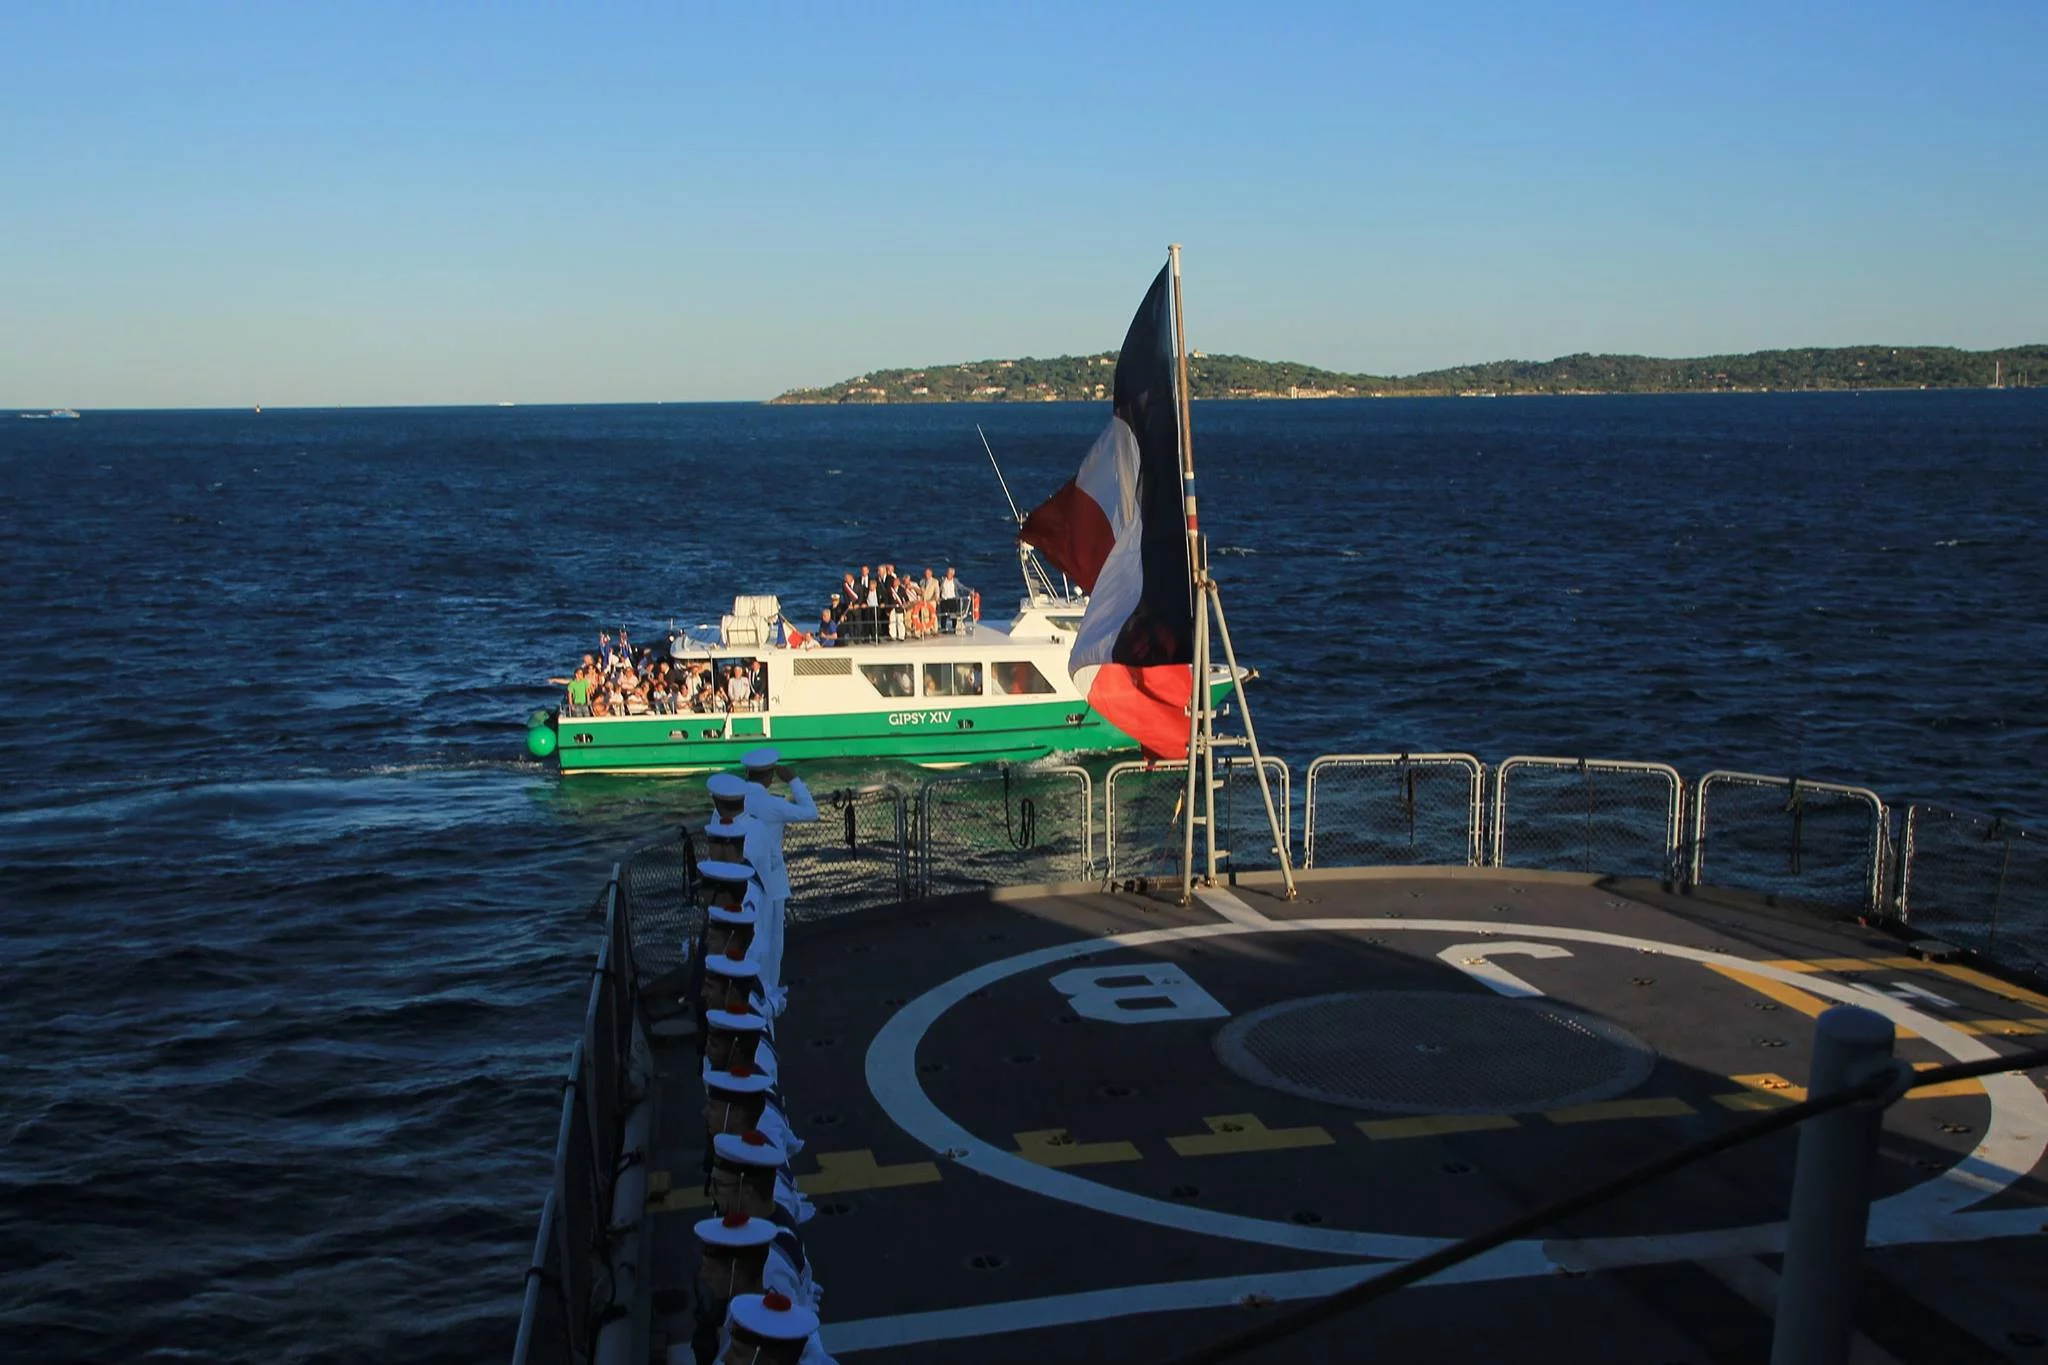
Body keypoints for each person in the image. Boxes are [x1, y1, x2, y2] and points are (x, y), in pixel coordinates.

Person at [938, 566, 961, 633]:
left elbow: (961, 587)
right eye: (948, 572)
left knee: (953, 615)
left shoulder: (955, 581)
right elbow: (938, 588)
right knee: (944, 615)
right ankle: (943, 629)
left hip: (952, 599)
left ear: (953, 574)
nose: (948, 574)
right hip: (944, 599)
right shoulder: (942, 580)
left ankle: (954, 628)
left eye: (950, 573)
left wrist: (970, 591)